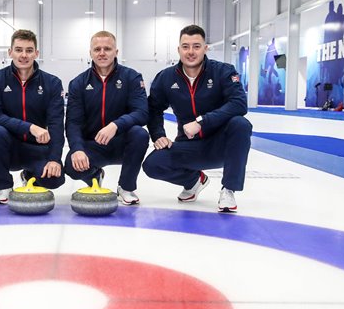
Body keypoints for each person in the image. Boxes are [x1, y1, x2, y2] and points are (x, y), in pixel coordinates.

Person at [142, 24, 252, 212]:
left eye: (196, 46)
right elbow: (153, 109)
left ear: (205, 48)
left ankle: (228, 190)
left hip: (220, 146)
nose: (190, 52)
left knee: (241, 124)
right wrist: (158, 135)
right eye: (185, 46)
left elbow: (239, 104)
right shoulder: (167, 77)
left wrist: (202, 122)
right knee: (152, 165)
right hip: (188, 146)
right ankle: (194, 181)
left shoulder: (223, 72)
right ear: (179, 49)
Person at [64, 30, 149, 205]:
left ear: (116, 52)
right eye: (97, 49)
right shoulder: (78, 83)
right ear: (90, 53)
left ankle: (126, 187)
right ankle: (95, 175)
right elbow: (73, 122)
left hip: (122, 143)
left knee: (140, 134)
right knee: (71, 166)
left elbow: (141, 113)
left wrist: (116, 125)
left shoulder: (131, 77)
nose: (102, 53)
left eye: (107, 48)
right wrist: (78, 149)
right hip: (93, 145)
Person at [0, 29, 65, 204]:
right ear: (10, 52)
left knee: (54, 180)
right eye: (19, 49)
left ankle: (29, 175)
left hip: (37, 148)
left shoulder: (52, 83)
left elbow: (56, 124)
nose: (23, 55)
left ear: (36, 53)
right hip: (8, 147)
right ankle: (3, 187)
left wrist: (54, 159)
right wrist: (30, 127)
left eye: (29, 50)